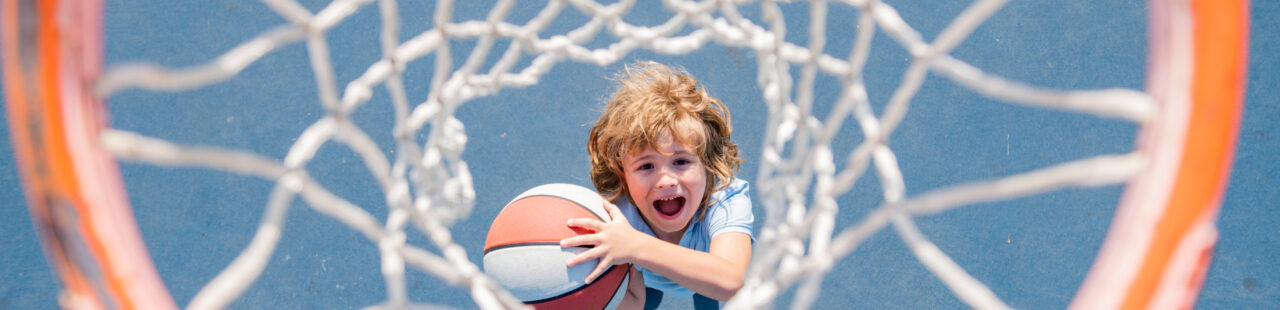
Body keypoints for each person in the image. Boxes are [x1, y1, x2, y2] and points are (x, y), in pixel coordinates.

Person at [560, 61, 754, 309]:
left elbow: (731, 281)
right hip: (647, 279)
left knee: (709, 290)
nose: (666, 181)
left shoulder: (727, 199)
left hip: (706, 271)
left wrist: (635, 246)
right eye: (646, 166)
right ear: (622, 174)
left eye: (681, 161)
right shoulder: (612, 216)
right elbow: (630, 301)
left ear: (707, 164)